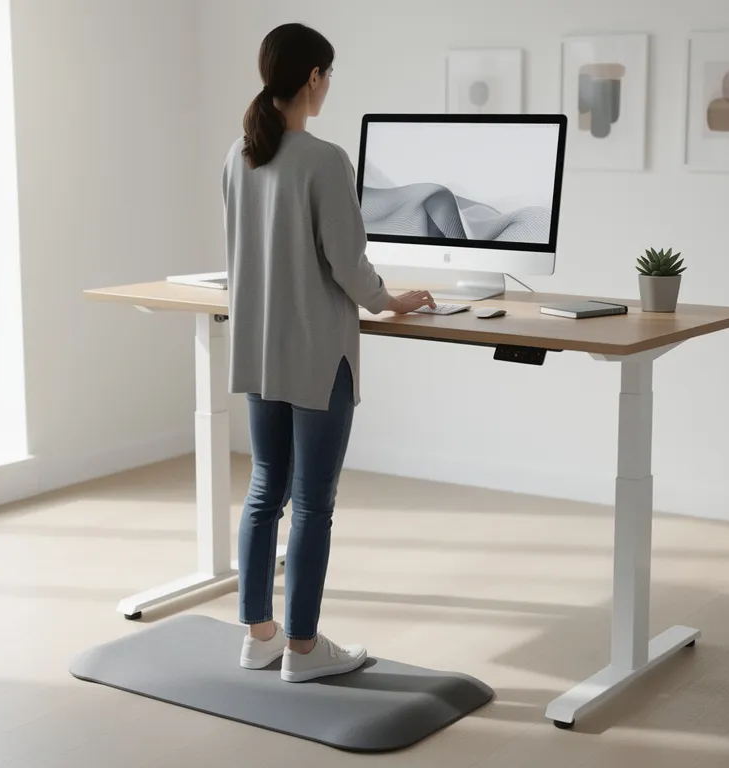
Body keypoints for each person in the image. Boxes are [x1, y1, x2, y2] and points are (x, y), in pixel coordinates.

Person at [220, 22, 436, 683]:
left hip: (259, 350)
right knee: (313, 503)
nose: (329, 86)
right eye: (329, 75)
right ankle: (305, 650)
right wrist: (391, 300)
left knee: (265, 490)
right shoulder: (326, 160)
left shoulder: (238, 155)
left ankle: (260, 637)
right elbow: (348, 264)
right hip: (317, 357)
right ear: (314, 77)